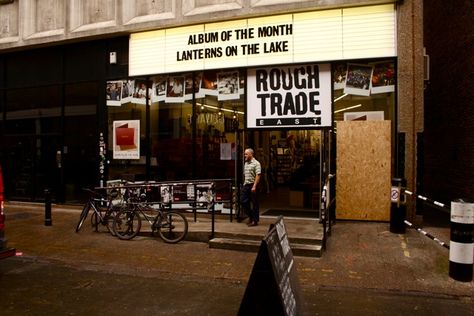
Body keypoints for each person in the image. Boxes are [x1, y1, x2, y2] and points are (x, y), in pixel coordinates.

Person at [241, 148, 261, 226]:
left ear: (251, 154)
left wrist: (254, 186)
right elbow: (245, 175)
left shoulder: (256, 163)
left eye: (246, 154)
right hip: (246, 185)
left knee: (255, 203)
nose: (244, 155)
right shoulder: (246, 163)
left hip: (253, 185)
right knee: (243, 201)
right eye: (244, 154)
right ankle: (251, 216)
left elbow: (258, 175)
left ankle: (254, 221)